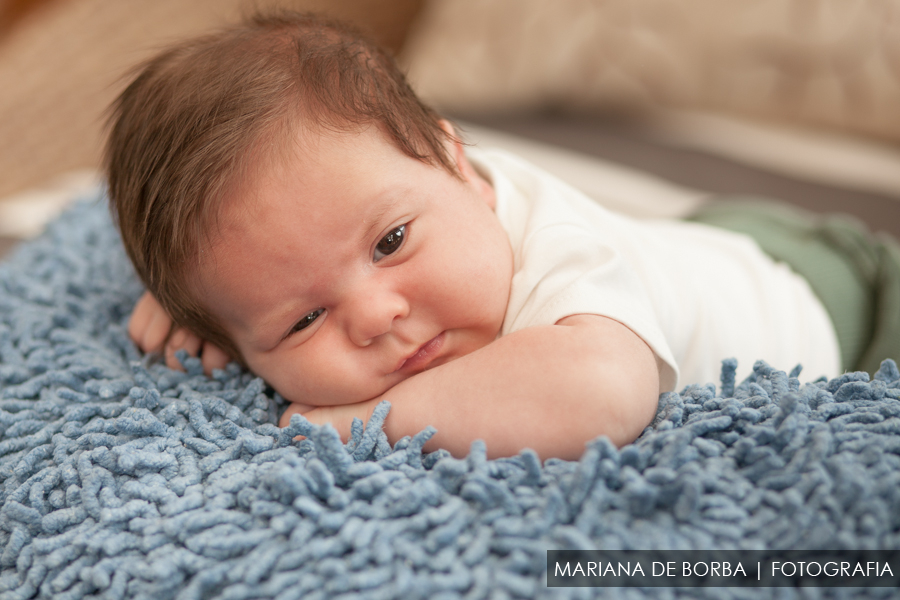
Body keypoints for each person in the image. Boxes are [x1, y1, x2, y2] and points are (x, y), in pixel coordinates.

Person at [108, 11, 900, 461]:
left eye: (389, 244)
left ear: (459, 164)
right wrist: (209, 303)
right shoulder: (386, 194)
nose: (377, 315)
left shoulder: (568, 261)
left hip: (834, 298)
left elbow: (598, 393)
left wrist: (343, 422)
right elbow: (276, 243)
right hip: (688, 250)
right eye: (302, 319)